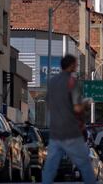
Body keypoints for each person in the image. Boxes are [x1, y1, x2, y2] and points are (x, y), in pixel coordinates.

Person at [42, 54, 97, 184]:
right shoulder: (72, 82)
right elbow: (77, 108)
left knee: (50, 167)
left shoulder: (52, 82)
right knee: (85, 164)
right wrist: (86, 103)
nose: (77, 66)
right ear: (71, 65)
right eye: (76, 64)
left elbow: (48, 103)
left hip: (55, 131)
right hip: (71, 131)